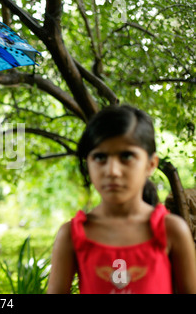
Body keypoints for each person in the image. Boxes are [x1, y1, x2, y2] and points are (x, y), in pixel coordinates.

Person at [47, 105, 196, 294]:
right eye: (100, 157)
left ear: (151, 164)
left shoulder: (171, 230)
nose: (112, 171)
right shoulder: (71, 235)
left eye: (126, 156)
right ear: (88, 164)